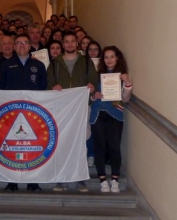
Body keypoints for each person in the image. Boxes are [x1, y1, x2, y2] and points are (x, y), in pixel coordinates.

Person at [47, 32, 97, 192]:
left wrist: (91, 88)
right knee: (62, 143)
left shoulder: (87, 62)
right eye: (66, 42)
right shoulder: (54, 64)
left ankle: (80, 178)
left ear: (77, 44)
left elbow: (94, 83)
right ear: (63, 43)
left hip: (81, 108)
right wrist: (54, 88)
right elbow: (48, 85)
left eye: (72, 42)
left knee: (80, 143)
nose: (69, 44)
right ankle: (62, 178)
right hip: (61, 109)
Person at [0, 34, 47, 191]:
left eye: (24, 43)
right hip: (12, 114)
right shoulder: (6, 65)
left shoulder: (39, 66)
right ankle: (12, 181)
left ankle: (32, 181)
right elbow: (2, 89)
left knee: (31, 146)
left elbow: (43, 89)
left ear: (29, 45)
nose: (21, 45)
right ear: (14, 46)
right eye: (18, 43)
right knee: (14, 146)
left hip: (33, 113)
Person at [90, 46, 132, 193]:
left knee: (114, 147)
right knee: (100, 147)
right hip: (98, 113)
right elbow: (89, 95)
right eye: (106, 57)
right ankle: (102, 180)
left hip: (116, 114)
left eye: (112, 57)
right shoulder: (96, 75)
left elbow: (126, 99)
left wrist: (127, 83)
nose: (109, 60)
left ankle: (115, 180)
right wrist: (94, 95)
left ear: (117, 58)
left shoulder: (122, 76)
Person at [85, 40, 102, 167]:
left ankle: (91, 154)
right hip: (86, 101)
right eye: (90, 49)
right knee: (86, 130)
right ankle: (87, 154)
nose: (92, 51)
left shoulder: (103, 66)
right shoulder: (83, 64)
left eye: (95, 49)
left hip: (100, 103)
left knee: (91, 131)